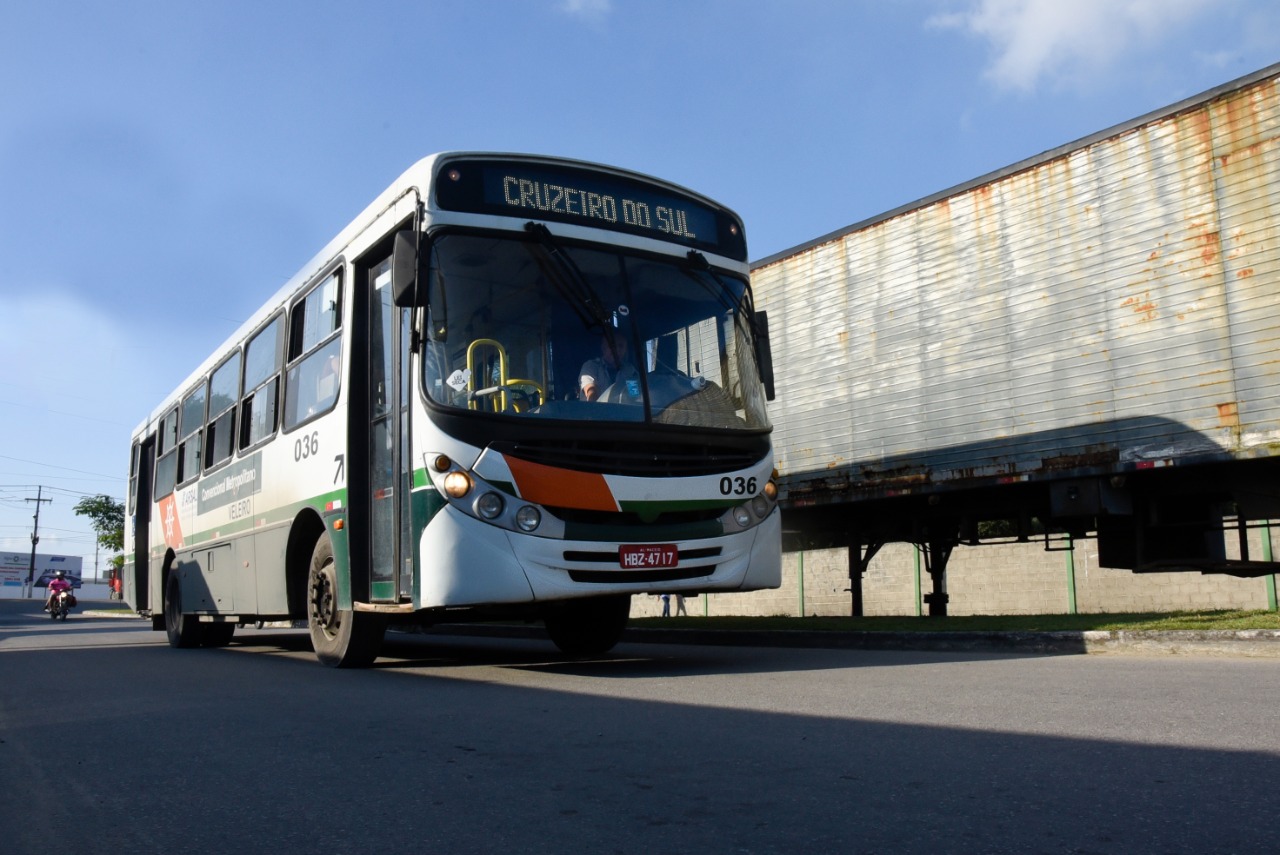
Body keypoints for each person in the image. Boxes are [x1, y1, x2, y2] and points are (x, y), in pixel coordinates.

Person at [579, 330, 635, 402]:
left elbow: (634, 395)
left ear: (625, 350)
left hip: (623, 409)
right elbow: (591, 392)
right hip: (593, 409)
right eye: (612, 345)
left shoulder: (630, 371)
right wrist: (597, 406)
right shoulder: (591, 366)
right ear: (603, 348)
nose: (617, 349)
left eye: (621, 346)